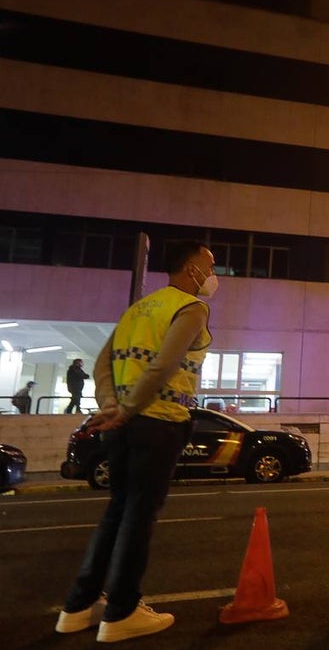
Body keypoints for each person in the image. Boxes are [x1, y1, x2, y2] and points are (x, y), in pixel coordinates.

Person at [56, 240, 217, 643]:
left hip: (125, 427)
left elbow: (102, 364)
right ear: (192, 267)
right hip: (158, 423)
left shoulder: (138, 310)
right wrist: (127, 409)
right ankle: (123, 611)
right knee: (138, 517)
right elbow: (164, 364)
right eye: (210, 263)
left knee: (117, 512)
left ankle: (78, 607)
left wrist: (112, 406)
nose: (214, 272)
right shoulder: (190, 307)